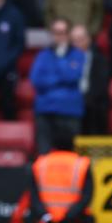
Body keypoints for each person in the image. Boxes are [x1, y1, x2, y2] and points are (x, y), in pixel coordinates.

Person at [30, 19, 85, 156]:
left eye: (63, 32)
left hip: (69, 112)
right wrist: (61, 77)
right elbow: (36, 80)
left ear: (68, 34)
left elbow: (73, 76)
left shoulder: (78, 55)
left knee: (69, 156)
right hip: (45, 112)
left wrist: (57, 65)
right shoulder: (42, 56)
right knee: (44, 155)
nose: (59, 36)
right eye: (56, 32)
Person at [32, 137, 94, 223]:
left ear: (53, 146)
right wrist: (70, 216)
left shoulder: (41, 163)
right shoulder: (82, 164)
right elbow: (87, 195)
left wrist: (45, 216)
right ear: (73, 146)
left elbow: (34, 195)